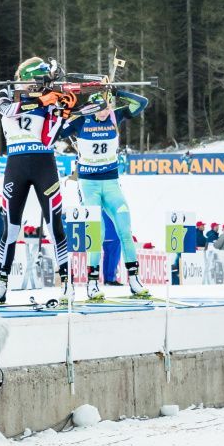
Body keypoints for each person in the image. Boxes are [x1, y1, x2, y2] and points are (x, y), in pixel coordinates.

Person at [0, 57, 71, 306]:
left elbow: (49, 138)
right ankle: (0, 283)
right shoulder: (7, 92)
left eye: (42, 83)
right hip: (16, 165)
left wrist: (61, 112)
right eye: (36, 82)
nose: (40, 87)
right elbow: (6, 109)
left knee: (55, 225)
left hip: (44, 163)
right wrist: (41, 101)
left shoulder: (49, 97)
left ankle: (67, 282)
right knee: (9, 228)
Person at [58, 88, 151, 300]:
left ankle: (134, 280)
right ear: (91, 108)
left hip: (111, 184)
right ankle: (92, 283)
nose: (104, 112)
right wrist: (68, 111)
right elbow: (56, 133)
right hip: (88, 185)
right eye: (100, 108)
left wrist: (118, 92)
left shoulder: (114, 116)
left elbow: (142, 102)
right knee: (96, 233)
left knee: (125, 230)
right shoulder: (81, 121)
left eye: (107, 106)